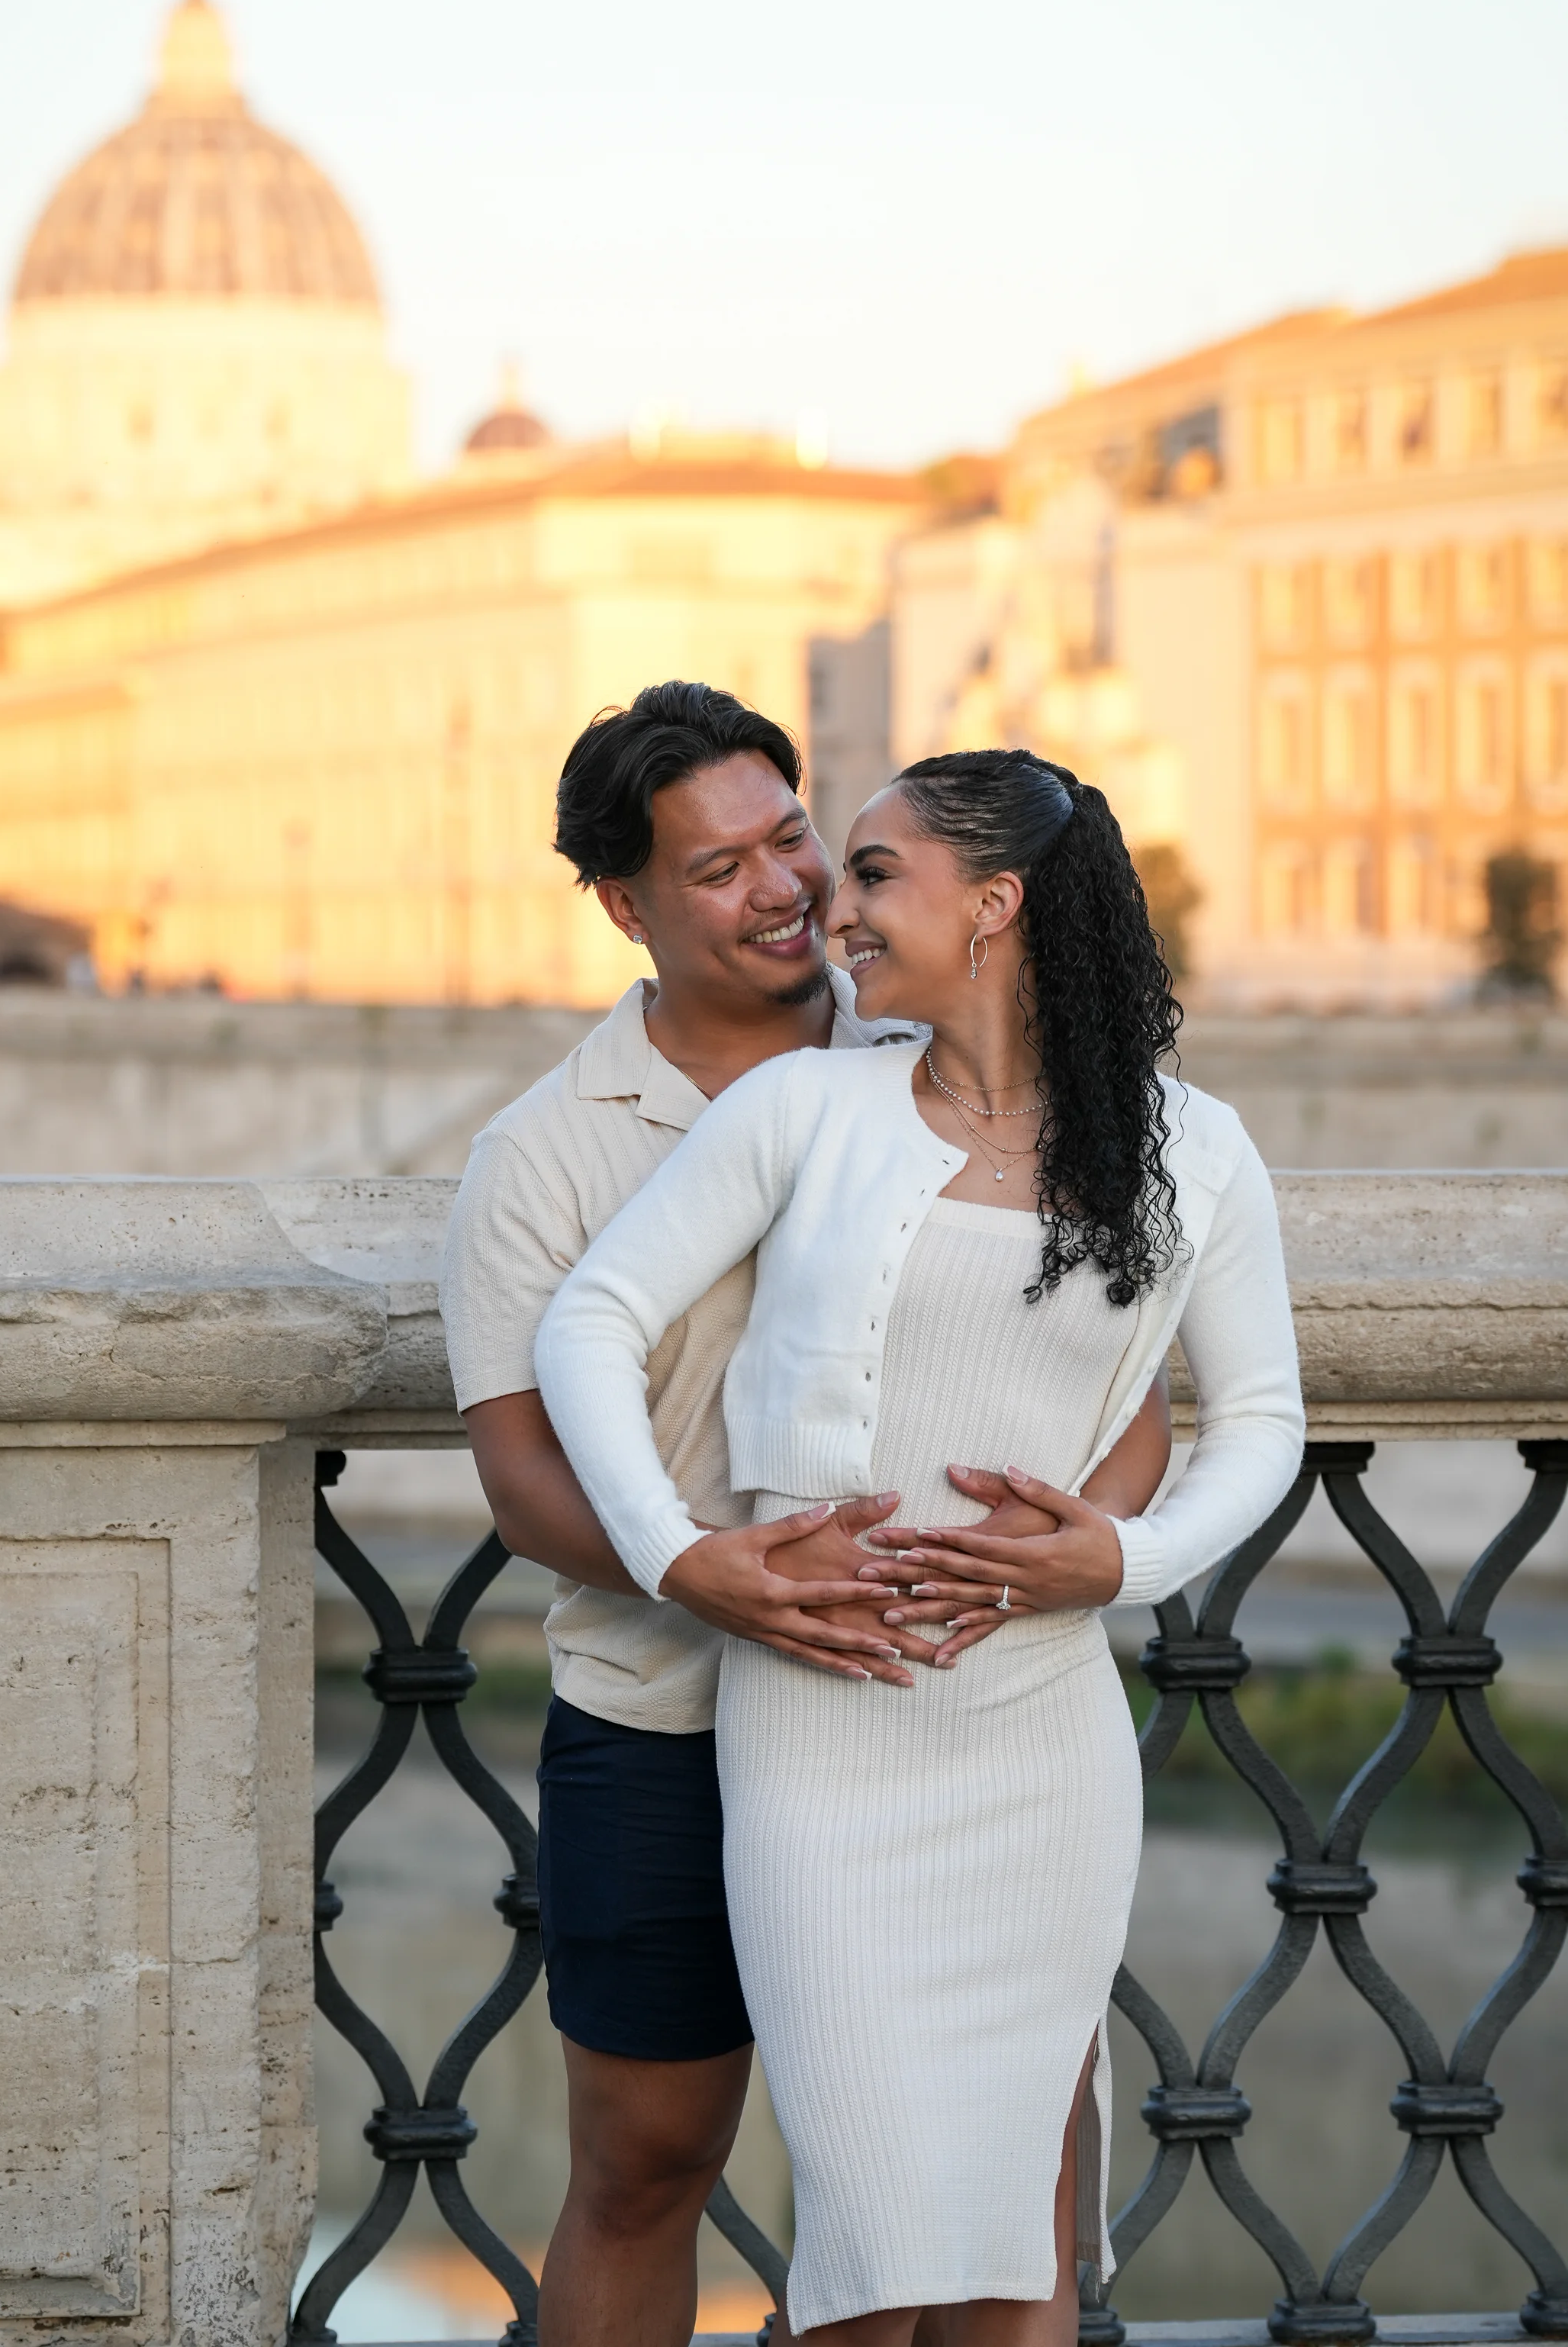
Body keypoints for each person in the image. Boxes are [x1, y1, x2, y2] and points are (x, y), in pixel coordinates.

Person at [535, 748, 1305, 2347]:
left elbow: (1259, 1421)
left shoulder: (1199, 1151)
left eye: (875, 871)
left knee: (1017, 2230)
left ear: (996, 902)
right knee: (867, 2248)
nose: (834, 899)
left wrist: (1126, 1563)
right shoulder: (805, 1107)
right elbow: (586, 1322)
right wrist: (681, 1556)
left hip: (1036, 1745)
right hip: (818, 1740)